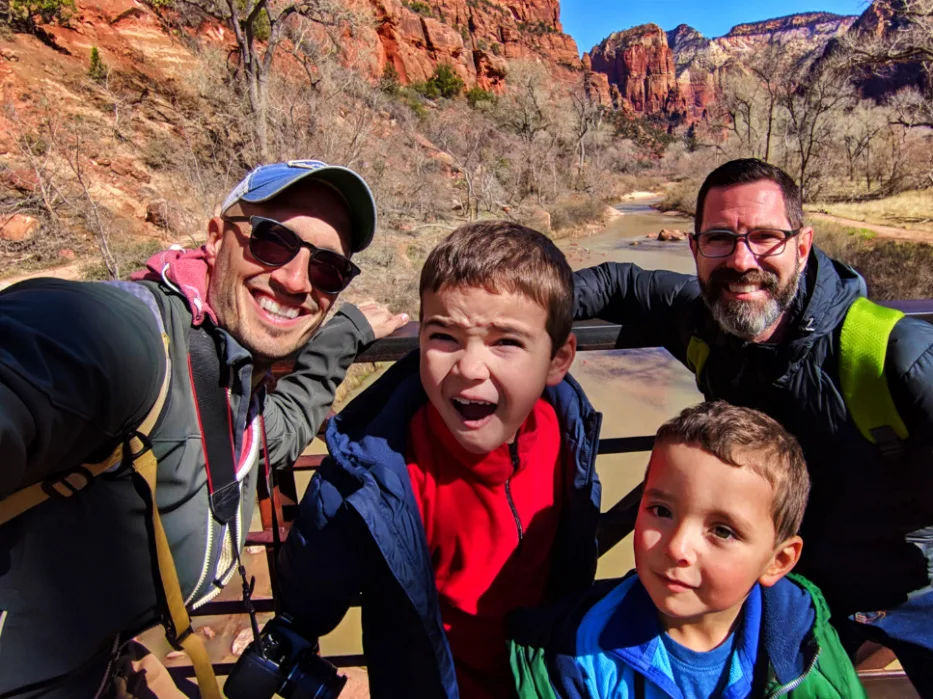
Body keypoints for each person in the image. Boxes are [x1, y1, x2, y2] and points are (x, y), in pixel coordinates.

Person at [0, 159, 408, 698]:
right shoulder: (133, 340)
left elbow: (277, 433)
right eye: (272, 242)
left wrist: (345, 333)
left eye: (328, 269)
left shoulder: (232, 382)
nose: (294, 280)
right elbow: (36, 361)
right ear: (216, 238)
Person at [573, 158, 933, 693]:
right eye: (720, 238)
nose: (742, 261)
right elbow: (617, 281)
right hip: (783, 591)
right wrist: (506, 316)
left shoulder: (891, 353)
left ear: (802, 246)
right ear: (695, 248)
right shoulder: (705, 320)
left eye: (765, 237)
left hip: (910, 595)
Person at [276, 221, 603, 699]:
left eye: (506, 342)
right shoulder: (372, 477)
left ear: (557, 359)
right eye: (444, 336)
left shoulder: (569, 434)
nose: (469, 368)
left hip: (544, 683)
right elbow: (305, 603)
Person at [510, 401, 865, 699]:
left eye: (722, 531)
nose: (677, 547)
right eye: (661, 511)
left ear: (778, 560)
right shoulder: (578, 654)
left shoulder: (807, 644)